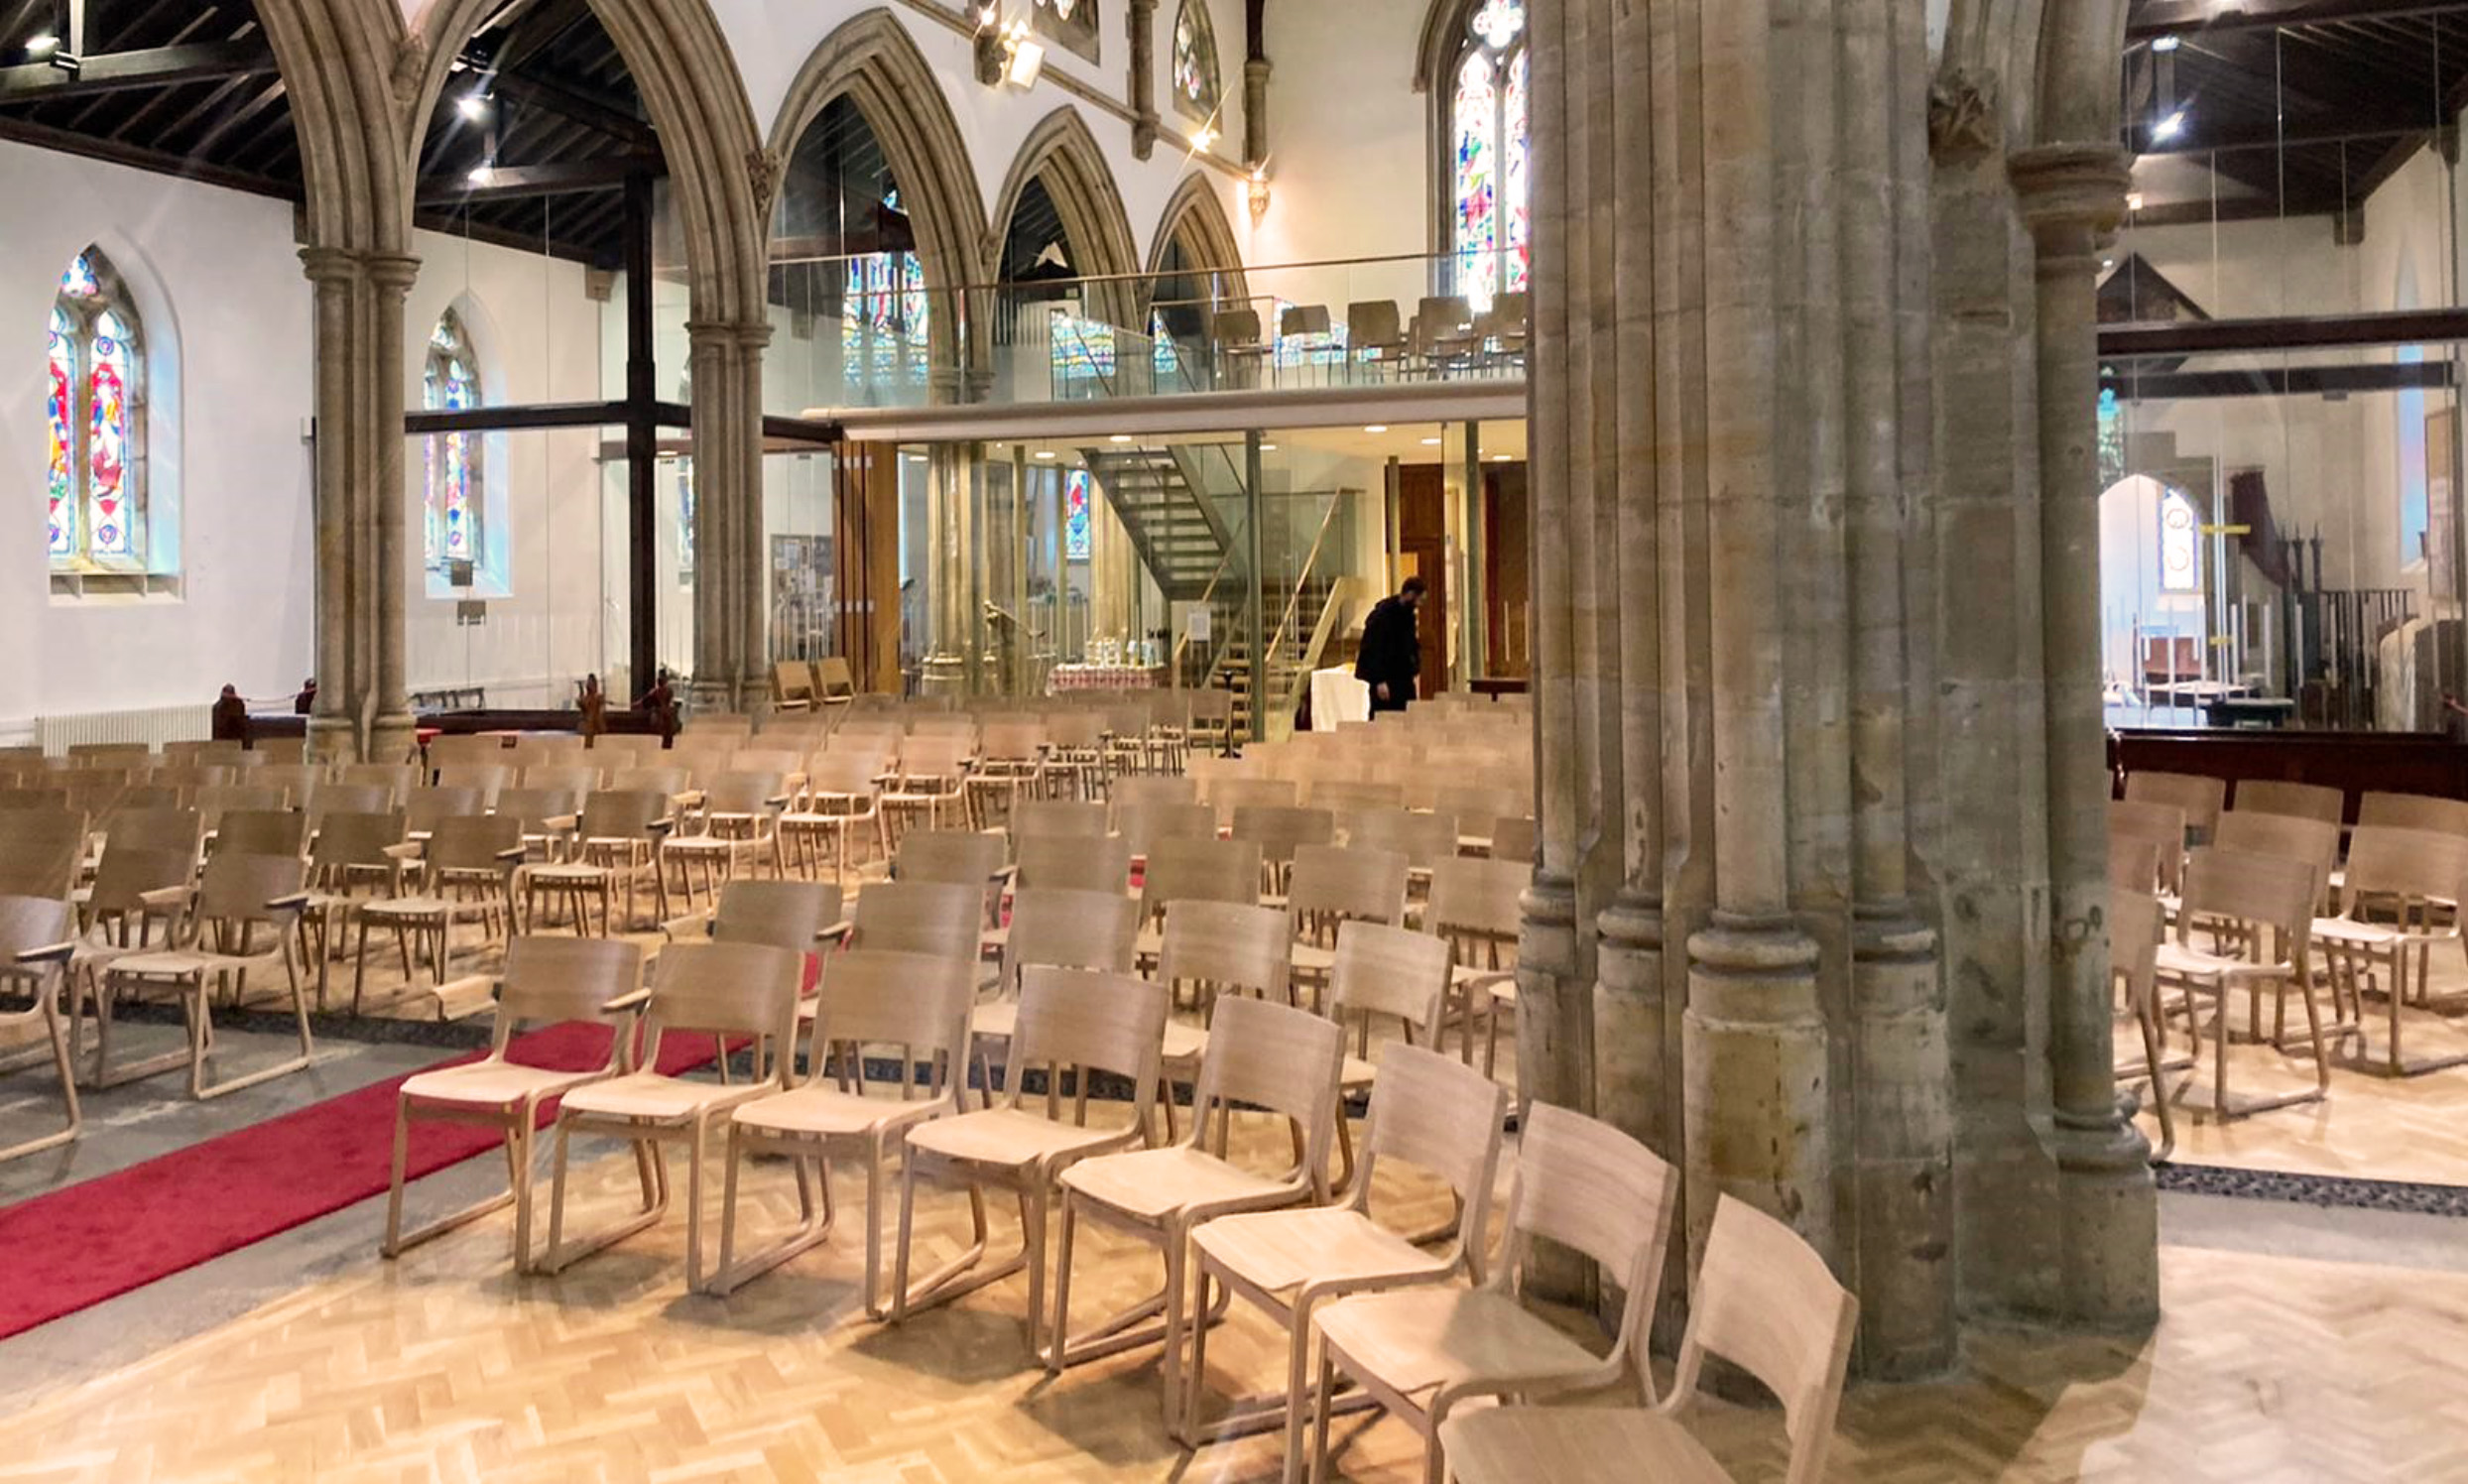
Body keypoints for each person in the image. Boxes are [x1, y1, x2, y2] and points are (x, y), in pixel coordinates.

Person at [1355, 575, 1426, 714]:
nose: (1420, 605)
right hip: (1386, 680)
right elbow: (1373, 648)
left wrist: (1414, 668)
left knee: (1406, 717)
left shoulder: (1408, 615)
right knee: (1383, 718)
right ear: (1411, 594)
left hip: (1403, 678)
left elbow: (1410, 645)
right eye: (1420, 600)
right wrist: (1379, 680)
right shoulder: (1382, 615)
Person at [637, 668, 679, 748]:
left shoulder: (656, 691)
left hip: (661, 715)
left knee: (666, 737)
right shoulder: (667, 691)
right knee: (667, 737)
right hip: (665, 715)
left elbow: (644, 701)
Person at [577, 673, 607, 744]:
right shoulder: (585, 698)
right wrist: (581, 691)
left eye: (592, 683)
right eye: (588, 682)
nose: (589, 684)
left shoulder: (599, 697)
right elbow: (583, 704)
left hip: (596, 727)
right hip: (586, 728)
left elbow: (600, 711)